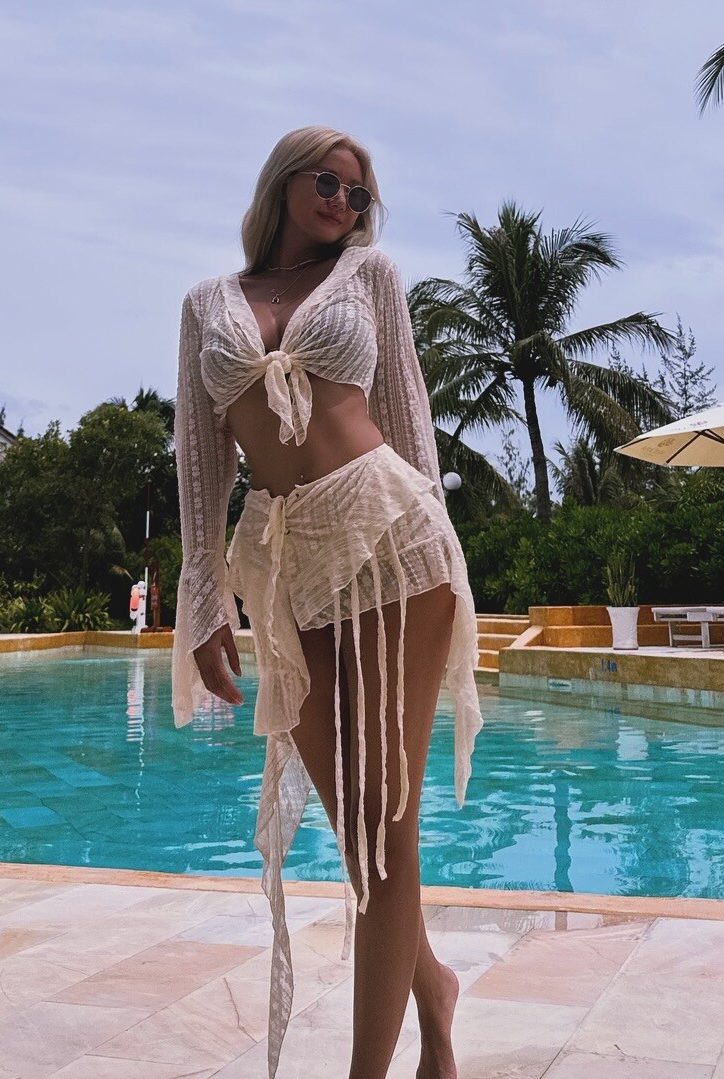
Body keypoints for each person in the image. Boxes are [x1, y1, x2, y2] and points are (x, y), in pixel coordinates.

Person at [172, 126, 482, 1079]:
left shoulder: (370, 275)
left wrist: (443, 539)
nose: (342, 202)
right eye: (327, 182)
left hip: (392, 537)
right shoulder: (206, 302)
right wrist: (201, 598)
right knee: (357, 833)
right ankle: (433, 989)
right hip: (284, 563)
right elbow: (202, 458)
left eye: (357, 193)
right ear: (283, 182)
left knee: (386, 823)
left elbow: (411, 417)